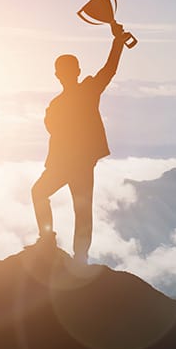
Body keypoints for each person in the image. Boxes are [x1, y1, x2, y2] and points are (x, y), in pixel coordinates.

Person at [31, 21, 127, 263]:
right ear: (77, 70)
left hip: (67, 163)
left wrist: (118, 42)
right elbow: (109, 70)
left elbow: (52, 129)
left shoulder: (58, 104)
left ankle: (48, 240)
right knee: (81, 209)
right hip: (81, 162)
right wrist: (117, 42)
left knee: (40, 193)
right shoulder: (86, 91)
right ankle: (78, 257)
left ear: (58, 74)